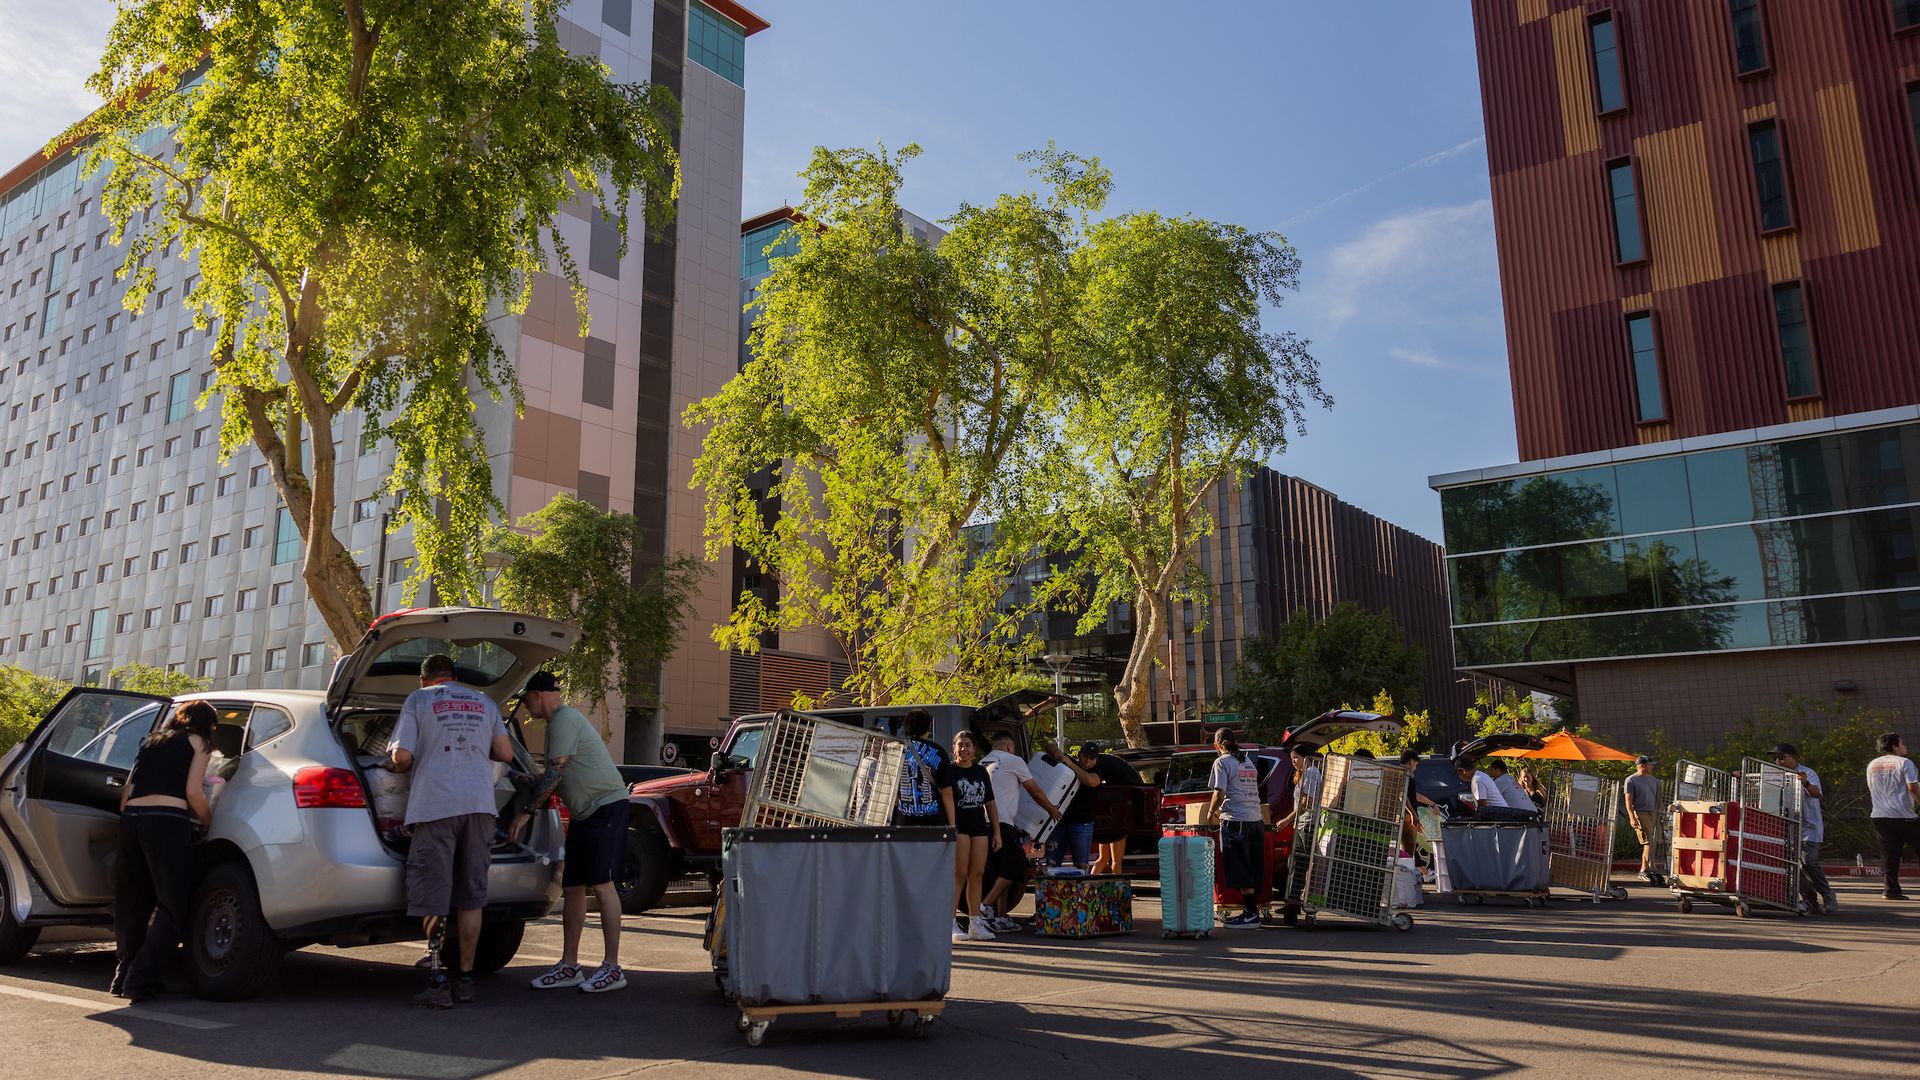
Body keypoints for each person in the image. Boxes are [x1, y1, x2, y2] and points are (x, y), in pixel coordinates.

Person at [390, 653, 515, 1008]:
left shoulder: (419, 700)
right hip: (479, 807)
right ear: (455, 676)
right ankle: (467, 978)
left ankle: (437, 979)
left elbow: (402, 758)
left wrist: (396, 765)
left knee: (435, 894)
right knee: (471, 894)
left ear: (424, 680)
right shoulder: (485, 701)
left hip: (436, 806)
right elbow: (505, 753)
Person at [519, 672, 632, 993]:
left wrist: (525, 813)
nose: (526, 708)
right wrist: (520, 778)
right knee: (573, 887)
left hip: (606, 806)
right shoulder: (559, 724)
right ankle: (570, 965)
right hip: (586, 812)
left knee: (603, 883)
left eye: (527, 701)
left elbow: (555, 773)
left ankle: (612, 967)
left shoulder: (564, 720)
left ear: (539, 695)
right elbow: (551, 775)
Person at [112, 701, 216, 1001]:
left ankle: (122, 976)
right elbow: (194, 792)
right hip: (166, 822)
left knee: (133, 902)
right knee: (172, 905)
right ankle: (139, 979)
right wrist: (207, 819)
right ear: (207, 723)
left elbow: (125, 795)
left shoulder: (151, 740)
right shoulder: (200, 742)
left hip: (130, 820)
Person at [979, 732, 1062, 933]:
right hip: (1002, 822)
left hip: (983, 824)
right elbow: (1035, 791)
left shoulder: (982, 761)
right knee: (1015, 868)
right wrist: (1052, 809)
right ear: (1009, 746)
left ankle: (1000, 917)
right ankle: (985, 906)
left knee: (1000, 871)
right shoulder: (1013, 760)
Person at [1204, 728, 1265, 929]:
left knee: (1240, 866)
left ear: (1217, 745)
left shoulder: (1221, 762)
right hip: (1256, 819)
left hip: (1236, 819)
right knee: (1253, 866)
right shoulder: (1246, 761)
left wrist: (1211, 812)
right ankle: (1252, 911)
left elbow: (1219, 792)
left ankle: (1249, 914)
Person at [1771, 743, 1837, 915]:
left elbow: (1817, 793)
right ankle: (1810, 899)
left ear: (1793, 757)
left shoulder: (1807, 773)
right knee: (1791, 866)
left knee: (1809, 862)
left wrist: (1805, 783)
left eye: (1781, 757)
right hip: (1787, 829)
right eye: (1775, 758)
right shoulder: (1775, 775)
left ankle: (1828, 895)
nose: (1778, 761)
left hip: (1809, 828)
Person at [947, 731, 999, 942]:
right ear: (954, 748)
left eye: (968, 745)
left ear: (974, 749)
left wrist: (996, 831)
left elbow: (990, 803)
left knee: (977, 874)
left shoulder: (981, 772)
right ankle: (950, 922)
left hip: (979, 826)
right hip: (959, 826)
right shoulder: (949, 771)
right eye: (960, 745)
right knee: (959, 874)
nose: (964, 749)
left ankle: (975, 922)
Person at [1867, 732, 1920, 900]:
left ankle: (1891, 890)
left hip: (1879, 815)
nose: (1904, 746)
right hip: (1903, 815)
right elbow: (1912, 787)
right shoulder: (1905, 763)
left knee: (1890, 854)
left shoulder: (1872, 765)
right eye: (1902, 743)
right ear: (1894, 746)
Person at [1043, 741, 1103, 871]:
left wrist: (1070, 764)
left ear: (1095, 761)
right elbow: (1048, 746)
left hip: (1082, 824)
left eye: (1091, 758)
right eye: (1085, 756)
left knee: (1081, 865)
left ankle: (1079, 890)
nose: (1087, 760)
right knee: (1052, 863)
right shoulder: (1069, 762)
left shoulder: (1096, 773)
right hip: (1059, 821)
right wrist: (1058, 754)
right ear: (1079, 755)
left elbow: (1089, 781)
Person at [894, 709, 956, 829]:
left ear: (906, 726)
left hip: (903, 822)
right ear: (928, 727)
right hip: (933, 823)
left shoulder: (895, 749)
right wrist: (952, 825)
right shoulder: (938, 751)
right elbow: (947, 794)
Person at [1623, 755, 1661, 883]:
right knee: (1648, 841)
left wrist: (1662, 813)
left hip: (1653, 813)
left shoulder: (1654, 781)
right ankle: (1643, 870)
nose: (1652, 766)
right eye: (1650, 764)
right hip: (1640, 813)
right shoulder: (1631, 780)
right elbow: (1628, 799)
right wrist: (1631, 816)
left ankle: (1652, 867)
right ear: (1641, 765)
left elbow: (1658, 799)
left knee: (1653, 841)